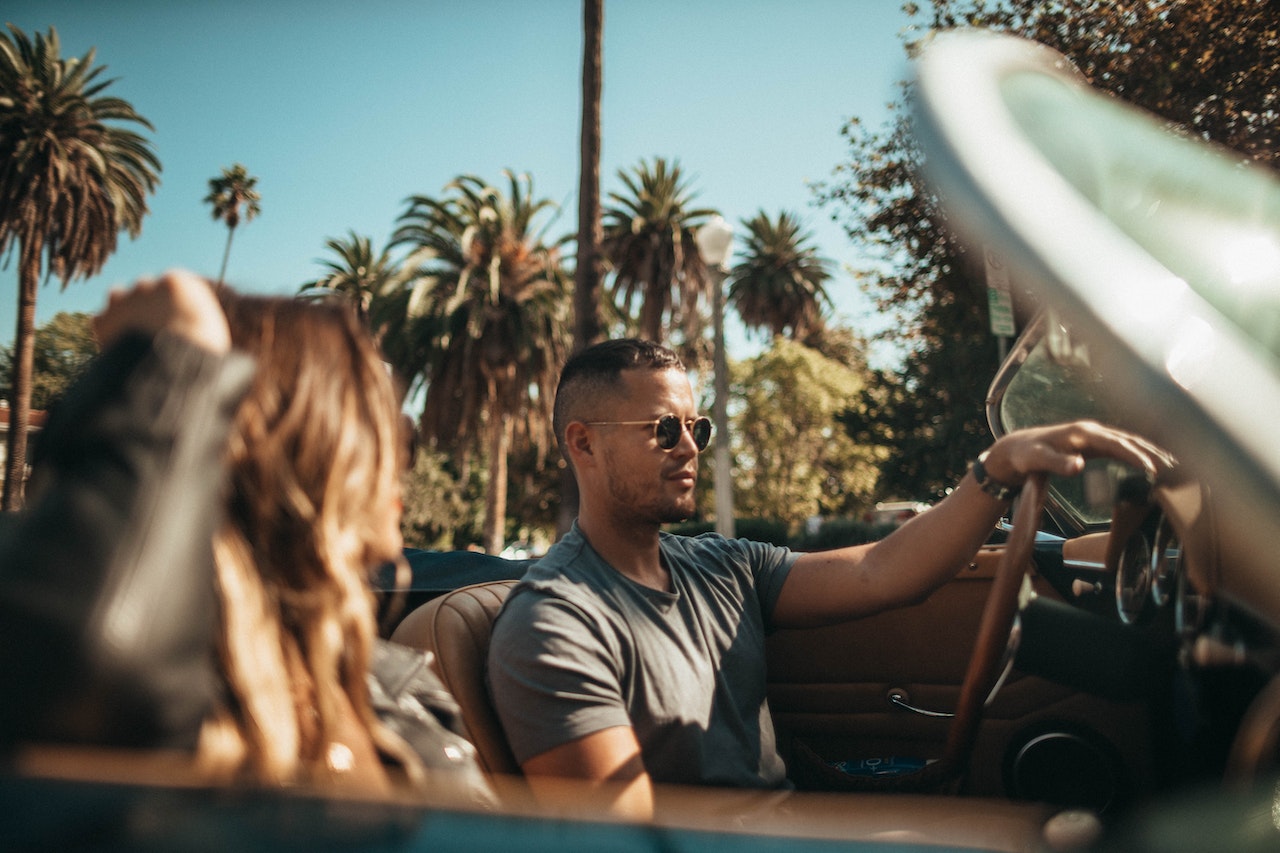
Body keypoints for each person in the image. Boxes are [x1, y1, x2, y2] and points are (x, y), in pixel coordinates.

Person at [486, 337, 1171, 818]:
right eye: (664, 429)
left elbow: (882, 570)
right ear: (582, 441)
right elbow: (619, 834)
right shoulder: (554, 622)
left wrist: (995, 469)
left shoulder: (722, 564)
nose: (691, 445)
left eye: (697, 425)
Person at [1, 271, 490, 802]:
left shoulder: (398, 692)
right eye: (384, 458)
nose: (397, 497)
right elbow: (87, 666)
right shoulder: (118, 686)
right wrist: (178, 364)